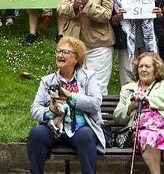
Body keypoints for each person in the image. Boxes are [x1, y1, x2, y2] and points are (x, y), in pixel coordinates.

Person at [27, 36, 106, 174]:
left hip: (80, 128)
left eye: (66, 52)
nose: (60, 55)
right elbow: (35, 109)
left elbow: (95, 103)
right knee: (36, 134)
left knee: (86, 136)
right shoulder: (47, 80)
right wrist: (50, 111)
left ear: (77, 59)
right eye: (58, 51)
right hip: (54, 128)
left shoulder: (89, 77)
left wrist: (71, 97)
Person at [113, 52, 164, 174]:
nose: (143, 69)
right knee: (149, 136)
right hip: (142, 129)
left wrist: (148, 99)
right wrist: (131, 107)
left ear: (156, 69)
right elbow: (117, 117)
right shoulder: (128, 89)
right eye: (140, 66)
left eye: (147, 66)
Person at [58, 0, 116, 92]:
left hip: (99, 46)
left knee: (97, 86)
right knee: (75, 84)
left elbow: (106, 15)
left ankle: (98, 113)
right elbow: (60, 9)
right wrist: (75, 6)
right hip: (75, 45)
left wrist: (88, 5)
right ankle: (77, 113)